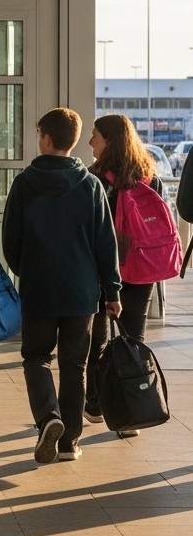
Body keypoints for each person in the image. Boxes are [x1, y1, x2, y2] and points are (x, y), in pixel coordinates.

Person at [2, 107, 122, 465]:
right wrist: (112, 291)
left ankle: (48, 416)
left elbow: (11, 240)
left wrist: (28, 269)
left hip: (39, 288)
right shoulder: (91, 186)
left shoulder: (24, 183)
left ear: (47, 139)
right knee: (74, 365)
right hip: (81, 293)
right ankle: (69, 442)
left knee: (36, 357)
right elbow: (106, 243)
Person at [85, 113, 163, 439]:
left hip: (105, 272)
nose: (90, 141)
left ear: (110, 141)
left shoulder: (94, 179)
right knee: (134, 338)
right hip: (142, 269)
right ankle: (131, 408)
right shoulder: (149, 177)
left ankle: (94, 404)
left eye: (95, 136)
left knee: (98, 340)